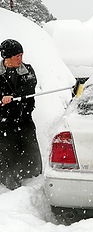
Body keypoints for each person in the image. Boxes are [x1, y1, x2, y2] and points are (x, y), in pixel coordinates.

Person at [0, 39, 42, 190]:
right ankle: (10, 183)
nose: (20, 59)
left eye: (21, 55)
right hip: (5, 122)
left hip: (24, 119)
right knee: (7, 151)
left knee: (30, 150)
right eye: (17, 56)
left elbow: (30, 87)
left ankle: (34, 181)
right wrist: (2, 97)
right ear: (7, 58)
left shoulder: (27, 70)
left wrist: (13, 96)